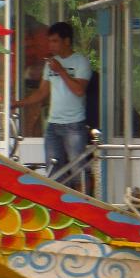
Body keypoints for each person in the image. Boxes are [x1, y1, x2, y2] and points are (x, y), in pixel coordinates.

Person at [40, 21, 93, 184]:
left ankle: (84, 205)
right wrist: (17, 103)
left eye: (55, 41)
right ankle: (57, 207)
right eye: (49, 41)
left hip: (74, 125)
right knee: (53, 170)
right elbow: (42, 92)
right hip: (53, 125)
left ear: (67, 41)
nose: (51, 45)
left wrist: (61, 71)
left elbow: (79, 90)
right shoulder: (50, 64)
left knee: (78, 169)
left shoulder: (80, 62)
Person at [15, 19, 52, 136]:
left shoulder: (49, 61)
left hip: (40, 93)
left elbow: (42, 92)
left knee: (35, 120)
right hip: (25, 90)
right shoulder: (20, 55)